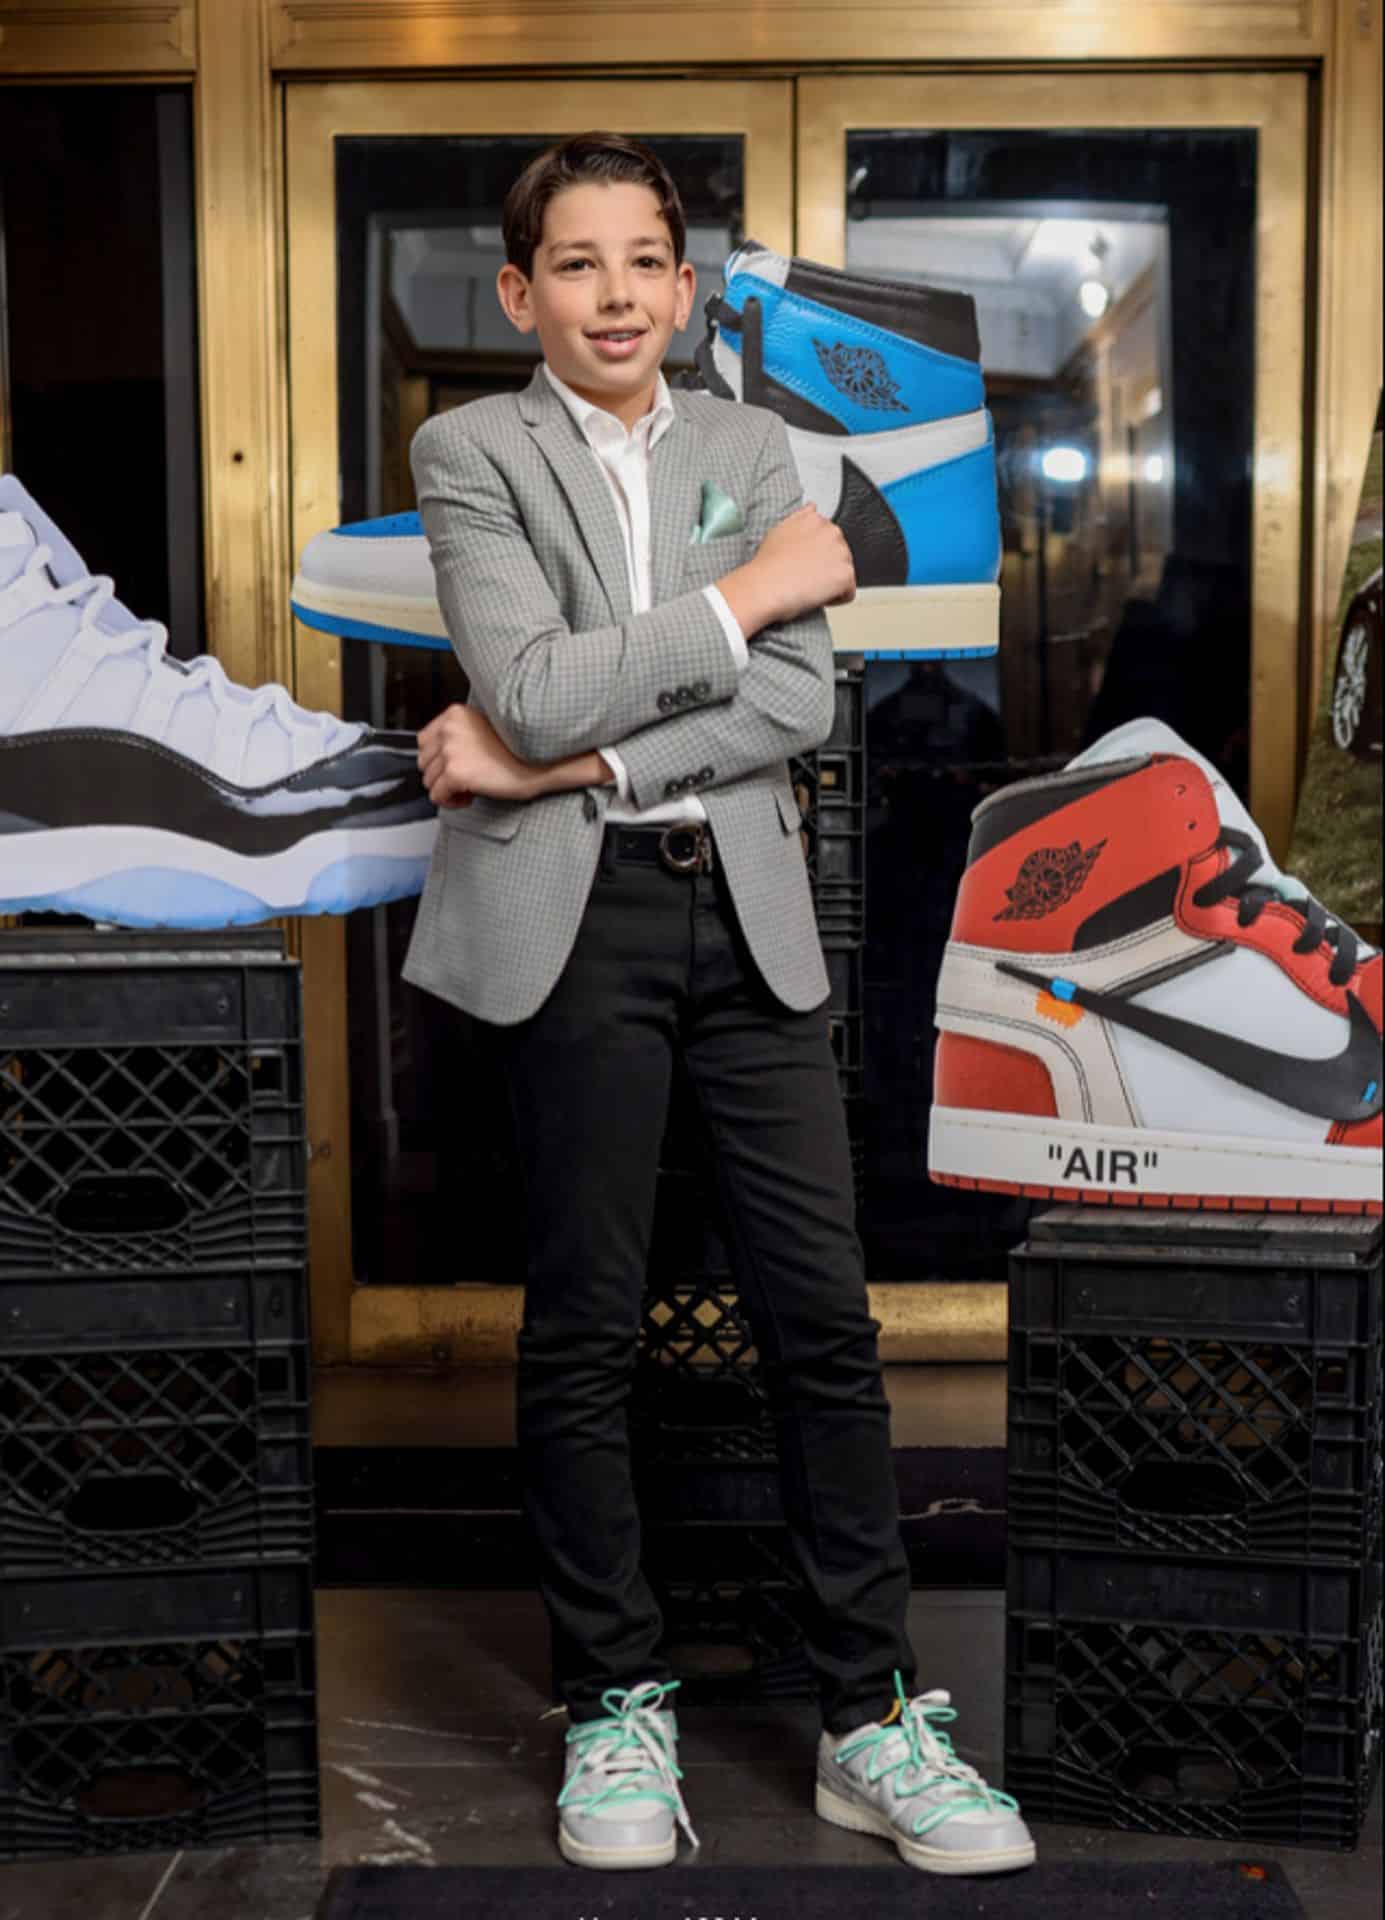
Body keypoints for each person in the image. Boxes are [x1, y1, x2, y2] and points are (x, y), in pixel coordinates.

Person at [404, 130, 1035, 1879]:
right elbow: (520, 670)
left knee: (822, 1325)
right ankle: (613, 1699)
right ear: (523, 292)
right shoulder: (469, 449)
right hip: (571, 926)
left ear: (687, 289)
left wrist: (565, 755)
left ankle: (866, 1713)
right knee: (583, 1326)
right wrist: (748, 589)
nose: (615, 294)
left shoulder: (759, 443)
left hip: (739, 916)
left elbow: (789, 708)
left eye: (645, 262)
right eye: (576, 264)